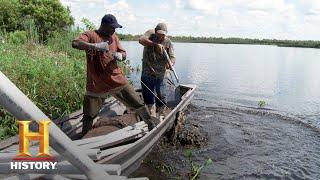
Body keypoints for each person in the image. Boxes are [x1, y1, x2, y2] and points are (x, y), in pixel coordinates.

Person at [72, 14, 157, 135]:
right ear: (104, 25)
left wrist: (121, 56)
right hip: (96, 84)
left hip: (117, 80)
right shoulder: (91, 35)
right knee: (89, 114)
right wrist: (95, 46)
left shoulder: (114, 37)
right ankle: (85, 136)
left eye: (115, 28)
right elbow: (75, 43)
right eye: (112, 27)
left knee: (137, 103)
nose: (114, 30)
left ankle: (150, 124)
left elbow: (123, 53)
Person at [138, 23, 175, 117]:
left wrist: (171, 64)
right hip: (147, 73)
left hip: (161, 75)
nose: (161, 37)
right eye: (160, 34)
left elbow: (172, 57)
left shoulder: (168, 42)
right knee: (148, 98)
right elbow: (141, 40)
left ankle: (162, 115)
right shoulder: (150, 34)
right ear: (155, 31)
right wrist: (155, 44)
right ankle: (151, 116)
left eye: (163, 34)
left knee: (162, 96)